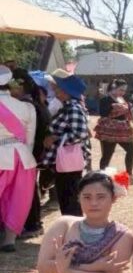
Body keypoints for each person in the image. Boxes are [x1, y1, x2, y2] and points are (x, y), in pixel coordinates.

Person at [40, 73, 91, 216]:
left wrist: (55, 138)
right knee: (67, 197)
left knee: (69, 198)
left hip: (69, 162)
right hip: (66, 161)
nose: (55, 92)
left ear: (66, 91)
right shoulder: (68, 107)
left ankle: (73, 226)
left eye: (58, 89)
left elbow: (80, 134)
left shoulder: (73, 108)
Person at [0, 66, 38, 250]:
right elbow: (30, 139)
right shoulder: (27, 107)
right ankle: (10, 240)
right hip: (23, 157)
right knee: (18, 198)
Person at [10, 68, 51, 238]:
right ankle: (31, 223)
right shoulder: (35, 103)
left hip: (30, 152)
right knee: (29, 189)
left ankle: (32, 224)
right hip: (33, 152)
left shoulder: (27, 106)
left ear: (19, 87)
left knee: (28, 191)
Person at [95, 79, 133, 184]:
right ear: (113, 88)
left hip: (123, 130)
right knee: (107, 154)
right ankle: (102, 177)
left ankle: (129, 175)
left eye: (124, 90)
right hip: (109, 130)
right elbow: (103, 113)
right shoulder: (105, 99)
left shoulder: (121, 99)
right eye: (121, 90)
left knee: (131, 150)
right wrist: (114, 107)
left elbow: (127, 111)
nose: (123, 92)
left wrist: (129, 109)